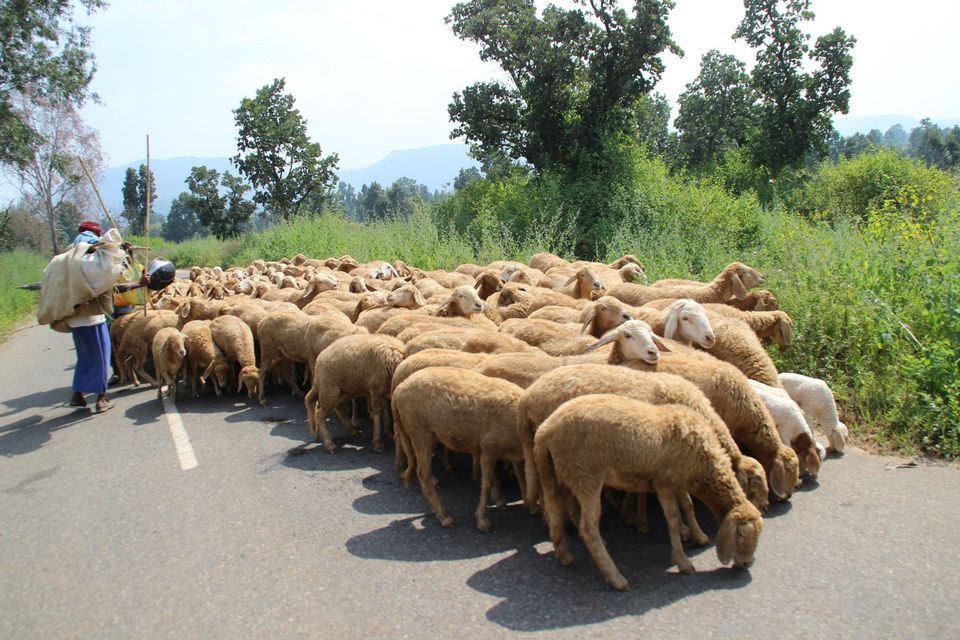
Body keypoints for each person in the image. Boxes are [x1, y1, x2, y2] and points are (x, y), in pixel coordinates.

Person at [66, 221, 149, 412]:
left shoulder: (72, 261)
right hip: (93, 317)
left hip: (75, 318)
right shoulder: (94, 267)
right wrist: (139, 283)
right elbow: (113, 287)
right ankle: (101, 399)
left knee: (84, 356)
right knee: (101, 355)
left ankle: (77, 393)